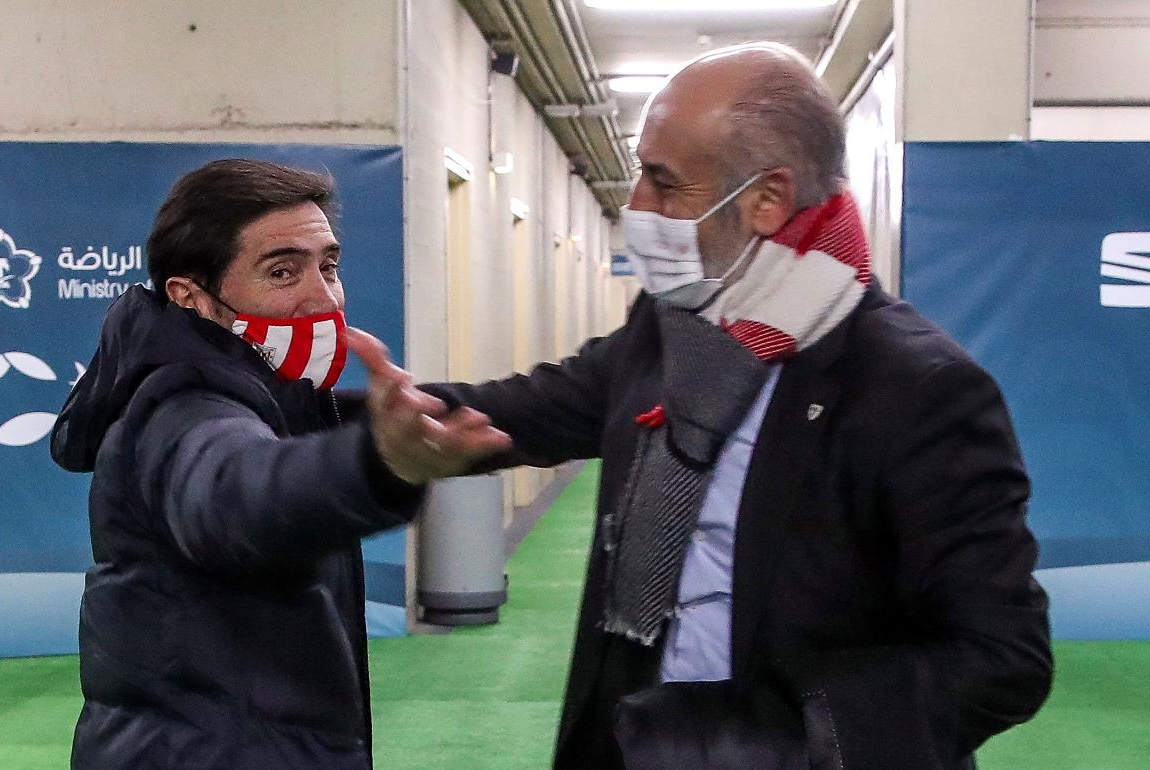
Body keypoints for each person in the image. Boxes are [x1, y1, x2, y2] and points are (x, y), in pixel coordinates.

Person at [419, 44, 1052, 769]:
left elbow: (1002, 657)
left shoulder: (917, 388)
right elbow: (538, 405)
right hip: (634, 739)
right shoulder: (673, 323)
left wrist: (754, 743)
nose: (637, 208)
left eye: (664, 184)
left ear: (768, 199)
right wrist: (368, 417)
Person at [50, 159, 508, 768]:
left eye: (329, 266)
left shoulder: (285, 395)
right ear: (190, 296)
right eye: (283, 271)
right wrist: (377, 465)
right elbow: (236, 493)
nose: (323, 296)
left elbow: (465, 413)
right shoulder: (175, 408)